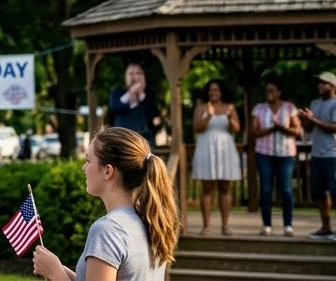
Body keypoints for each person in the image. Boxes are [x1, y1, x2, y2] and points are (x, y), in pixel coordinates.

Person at [32, 127, 178, 281]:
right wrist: (59, 270)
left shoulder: (108, 229)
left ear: (108, 171)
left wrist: (55, 273)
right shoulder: (148, 219)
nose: (83, 167)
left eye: (88, 160)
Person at [298, 71, 336, 240]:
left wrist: (313, 120)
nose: (319, 85)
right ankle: (325, 228)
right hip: (317, 154)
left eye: (323, 83)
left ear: (333, 86)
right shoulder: (315, 103)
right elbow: (309, 129)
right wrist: (305, 120)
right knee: (319, 193)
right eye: (319, 83)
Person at [250, 78, 301, 236]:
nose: (269, 93)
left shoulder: (289, 107)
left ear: (279, 92)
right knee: (266, 189)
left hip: (286, 154)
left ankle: (288, 225)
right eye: (266, 91)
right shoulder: (259, 108)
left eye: (272, 90)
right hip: (264, 154)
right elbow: (253, 132)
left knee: (286, 189)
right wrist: (271, 129)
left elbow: (297, 131)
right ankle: (266, 224)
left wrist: (282, 128)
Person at [191, 78, 241, 235]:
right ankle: (206, 226)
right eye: (211, 90)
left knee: (225, 187)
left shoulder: (230, 107)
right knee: (207, 187)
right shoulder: (202, 107)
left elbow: (236, 129)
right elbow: (197, 128)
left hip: (225, 149)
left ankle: (225, 226)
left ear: (221, 92)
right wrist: (209, 116)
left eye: (216, 90)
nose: (213, 92)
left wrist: (230, 118)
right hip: (206, 147)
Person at [108, 63, 162, 147]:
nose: (135, 76)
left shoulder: (149, 94)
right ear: (126, 76)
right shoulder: (117, 92)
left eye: (138, 73)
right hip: (123, 137)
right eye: (131, 73)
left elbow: (155, 118)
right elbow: (115, 107)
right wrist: (130, 93)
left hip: (144, 139)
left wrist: (141, 96)